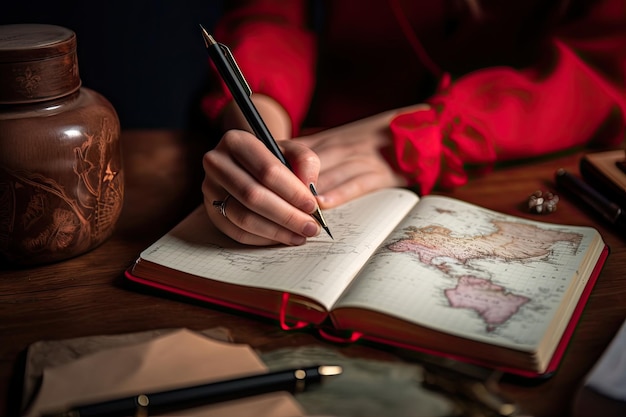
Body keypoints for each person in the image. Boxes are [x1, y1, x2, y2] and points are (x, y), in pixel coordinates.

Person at [201, 0, 626, 247]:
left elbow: (602, 67)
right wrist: (262, 124)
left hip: (515, 159)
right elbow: (271, 16)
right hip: (313, 139)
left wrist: (435, 133)